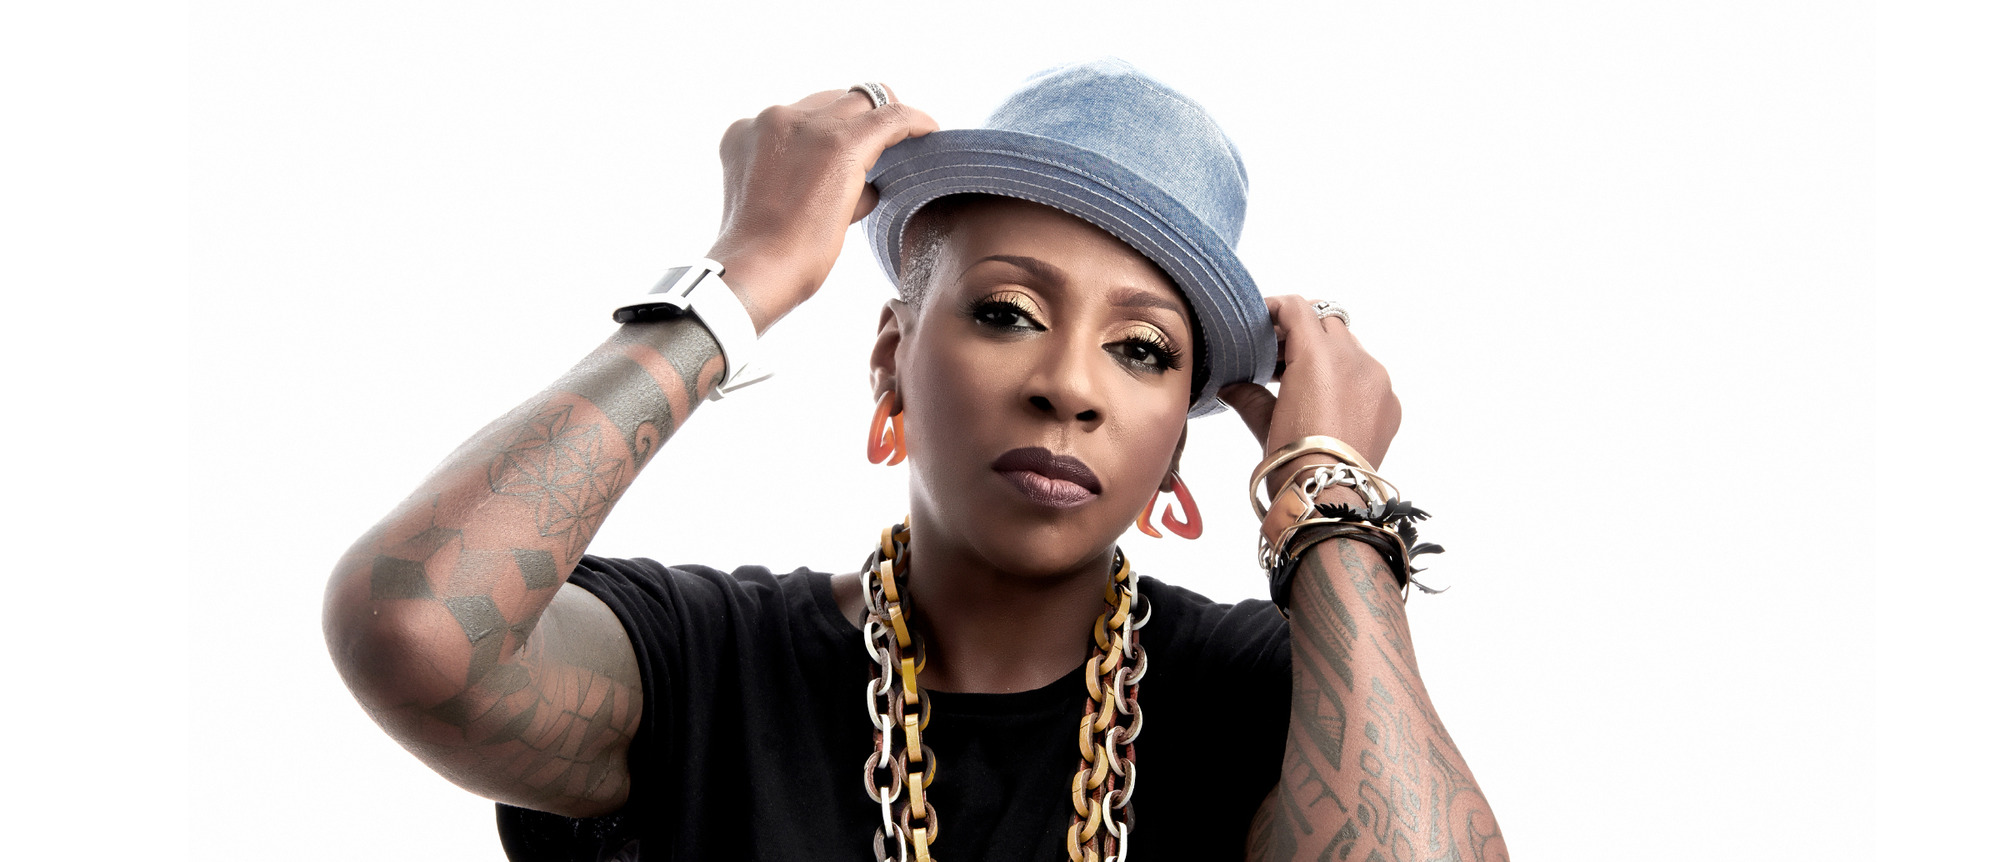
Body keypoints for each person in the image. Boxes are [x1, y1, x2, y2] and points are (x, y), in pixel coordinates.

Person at [323, 59, 1507, 862]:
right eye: (1004, 312)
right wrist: (740, 283)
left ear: (1171, 453)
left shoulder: (1262, 695)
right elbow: (415, 628)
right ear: (891, 356)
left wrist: (1328, 496)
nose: (1068, 384)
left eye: (1141, 350)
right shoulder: (698, 665)